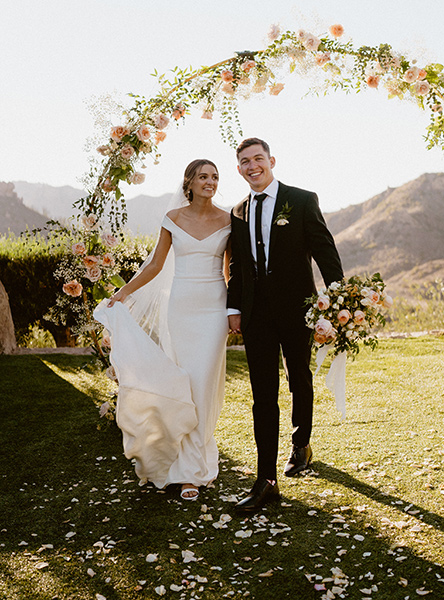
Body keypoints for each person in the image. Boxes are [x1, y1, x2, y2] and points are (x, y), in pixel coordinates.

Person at [94, 159, 230, 501]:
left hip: (213, 310)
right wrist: (124, 293)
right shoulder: (173, 219)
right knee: (183, 382)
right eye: (203, 176)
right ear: (190, 182)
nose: (210, 182)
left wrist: (234, 312)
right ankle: (183, 468)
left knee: (202, 386)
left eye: (215, 177)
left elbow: (231, 273)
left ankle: (193, 471)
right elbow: (156, 264)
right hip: (181, 309)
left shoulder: (229, 221)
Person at [227, 138, 343, 513]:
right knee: (263, 394)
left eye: (257, 158)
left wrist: (338, 301)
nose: (252, 165)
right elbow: (238, 269)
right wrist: (234, 308)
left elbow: (325, 251)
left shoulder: (302, 199)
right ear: (240, 169)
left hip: (299, 310)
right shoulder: (238, 212)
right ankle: (266, 480)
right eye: (244, 161)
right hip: (257, 315)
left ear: (271, 161)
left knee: (299, 379)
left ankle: (301, 443)